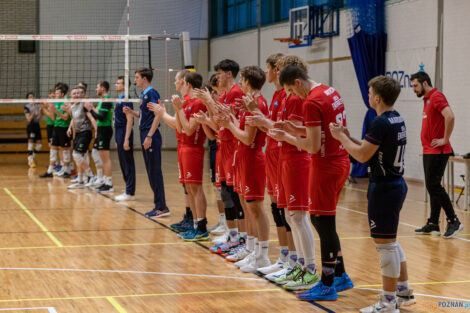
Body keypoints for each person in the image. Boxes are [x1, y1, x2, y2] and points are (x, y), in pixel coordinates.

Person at [330, 75, 415, 312]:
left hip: (384, 188)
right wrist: (347, 135)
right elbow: (371, 147)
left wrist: (340, 139)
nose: (367, 96)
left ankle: (388, 302)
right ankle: (403, 291)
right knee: (391, 241)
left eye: (369, 93)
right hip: (395, 184)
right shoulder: (395, 117)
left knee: (385, 245)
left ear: (377, 97)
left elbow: (361, 155)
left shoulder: (379, 122)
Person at [269, 65, 352, 301]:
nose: (293, 96)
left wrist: (287, 137)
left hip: (326, 165)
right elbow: (323, 128)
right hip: (340, 160)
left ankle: (326, 284)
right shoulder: (328, 91)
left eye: (291, 91)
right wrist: (297, 128)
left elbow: (313, 146)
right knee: (326, 222)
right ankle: (340, 274)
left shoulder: (310, 102)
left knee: (322, 223)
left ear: (297, 82)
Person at [216, 65, 271, 272]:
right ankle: (252, 250)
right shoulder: (248, 103)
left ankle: (262, 255)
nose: (240, 82)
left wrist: (230, 125)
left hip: (252, 158)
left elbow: (248, 138)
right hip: (242, 157)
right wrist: (230, 118)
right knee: (246, 207)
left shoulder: (256, 104)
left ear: (248, 81)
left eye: (242, 80)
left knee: (256, 208)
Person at [411, 71, 463, 238]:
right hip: (428, 150)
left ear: (425, 83)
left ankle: (454, 220)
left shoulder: (436, 96)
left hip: (438, 151)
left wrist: (444, 139)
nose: (414, 89)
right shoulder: (427, 100)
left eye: (415, 86)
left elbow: (450, 116)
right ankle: (433, 223)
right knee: (431, 186)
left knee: (433, 185)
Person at [123, 67, 169, 218]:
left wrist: (149, 136)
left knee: (155, 172)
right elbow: (144, 116)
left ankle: (162, 207)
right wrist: (131, 113)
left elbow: (158, 115)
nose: (134, 79)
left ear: (144, 78)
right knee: (151, 172)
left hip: (151, 135)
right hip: (145, 134)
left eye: (136, 77)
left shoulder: (151, 93)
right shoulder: (144, 94)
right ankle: (159, 206)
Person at [84, 81, 114, 193]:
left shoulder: (106, 100)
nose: (96, 89)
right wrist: (92, 108)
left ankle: (109, 184)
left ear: (103, 88)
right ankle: (104, 181)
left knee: (105, 159)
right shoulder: (103, 100)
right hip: (102, 130)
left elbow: (101, 117)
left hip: (105, 129)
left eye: (97, 87)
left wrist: (90, 109)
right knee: (101, 157)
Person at [65, 86, 94, 189]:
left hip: (85, 132)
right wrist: (69, 128)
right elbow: (73, 119)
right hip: (77, 134)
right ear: (71, 96)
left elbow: (91, 116)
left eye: (78, 93)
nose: (76, 95)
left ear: (82, 95)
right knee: (78, 158)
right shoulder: (72, 107)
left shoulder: (84, 104)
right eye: (74, 93)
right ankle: (81, 180)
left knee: (77, 155)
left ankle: (90, 176)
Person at [113, 76, 136, 201]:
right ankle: (128, 187)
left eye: (118, 83)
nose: (116, 84)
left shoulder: (126, 99)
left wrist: (126, 139)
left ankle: (130, 192)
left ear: (124, 86)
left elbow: (130, 120)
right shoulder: (119, 99)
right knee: (123, 161)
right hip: (119, 132)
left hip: (124, 131)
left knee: (127, 162)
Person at [24, 92, 42, 168]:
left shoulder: (38, 105)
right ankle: (30, 160)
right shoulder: (27, 107)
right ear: (27, 99)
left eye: (33, 96)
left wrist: (40, 110)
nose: (32, 98)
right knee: (31, 142)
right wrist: (34, 110)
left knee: (39, 145)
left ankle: (31, 157)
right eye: (30, 97)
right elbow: (29, 119)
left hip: (37, 125)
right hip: (31, 125)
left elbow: (39, 119)